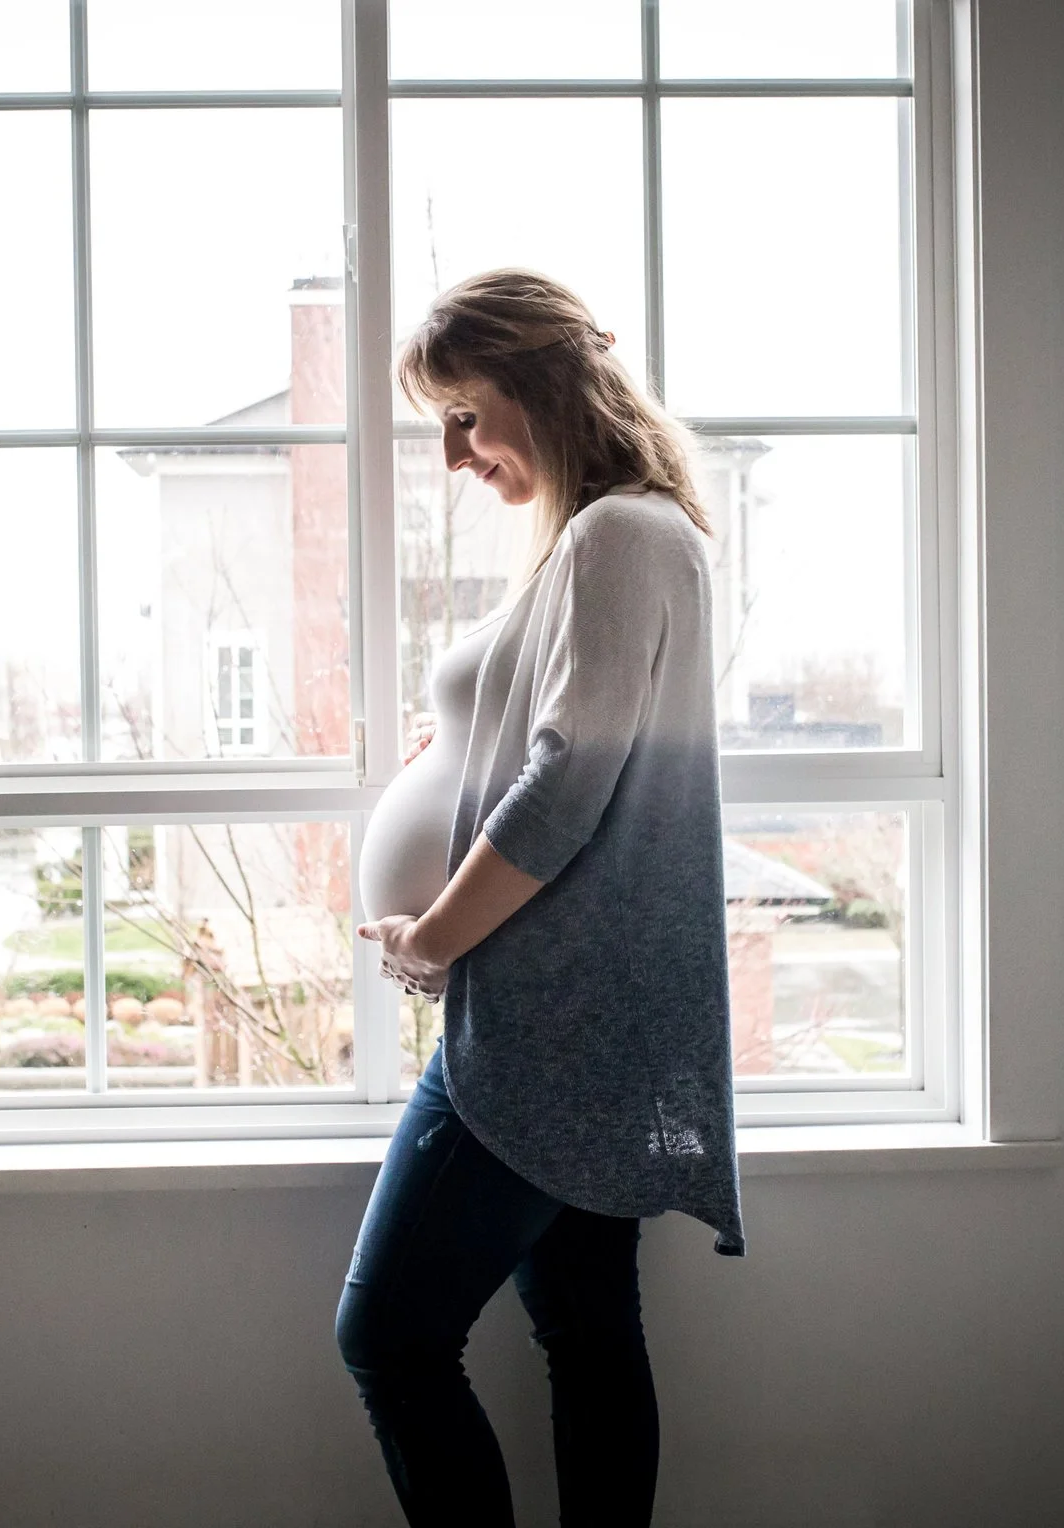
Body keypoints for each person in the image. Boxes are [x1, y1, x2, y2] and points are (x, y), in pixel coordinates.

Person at [339, 268, 742, 1528]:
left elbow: (569, 788)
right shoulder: (614, 533)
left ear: (541, 381)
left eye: (467, 413)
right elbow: (559, 732)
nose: (456, 454)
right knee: (584, 1334)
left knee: (388, 1338)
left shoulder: (622, 534)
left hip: (545, 1029)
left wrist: (425, 942)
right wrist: (461, 727)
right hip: (574, 1024)